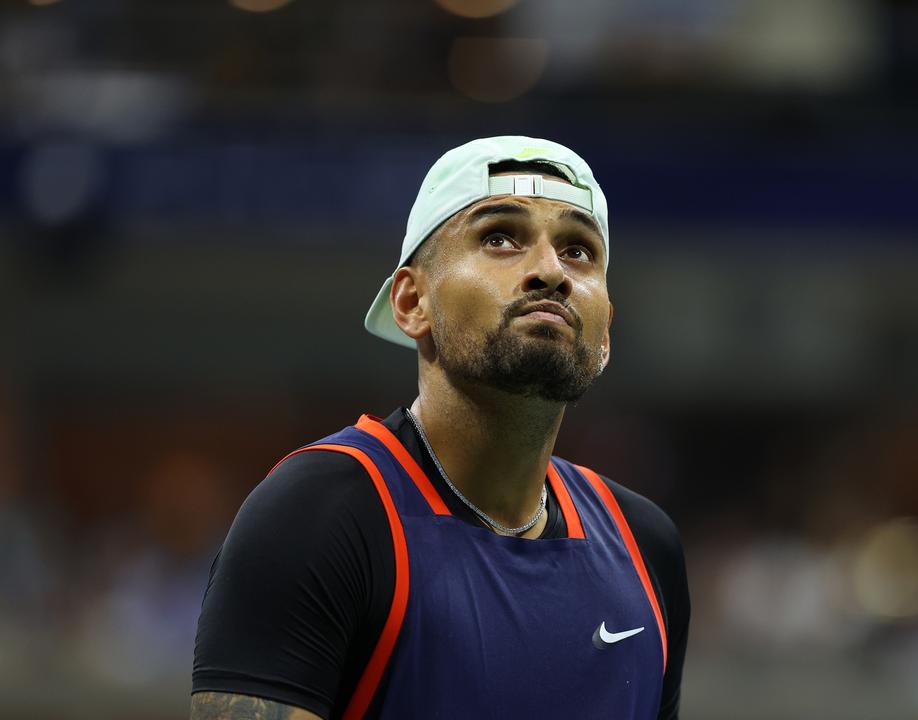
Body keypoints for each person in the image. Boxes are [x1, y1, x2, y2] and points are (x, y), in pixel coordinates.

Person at [190, 136, 690, 720]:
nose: (551, 271)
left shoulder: (645, 545)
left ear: (605, 330)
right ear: (411, 301)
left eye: (579, 251)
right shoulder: (320, 516)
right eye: (500, 238)